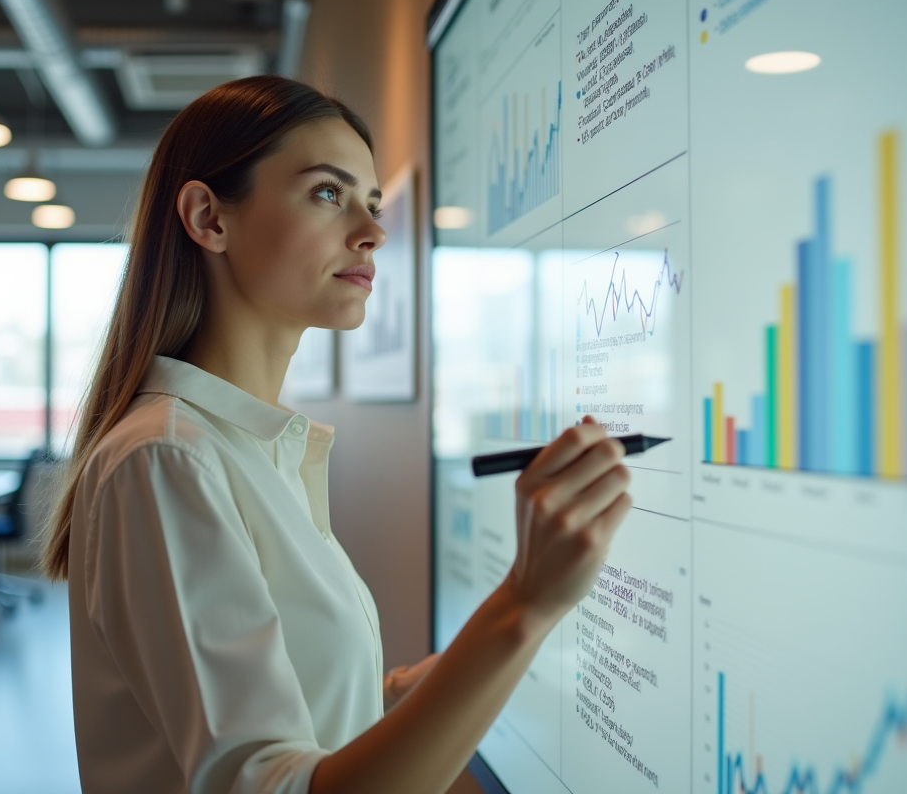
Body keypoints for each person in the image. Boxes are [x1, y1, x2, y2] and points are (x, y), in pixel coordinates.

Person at [41, 75, 633, 794]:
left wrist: (390, 694)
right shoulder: (167, 460)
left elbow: (298, 714)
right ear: (209, 218)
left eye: (374, 205)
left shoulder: (253, 450)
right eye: (328, 193)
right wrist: (525, 603)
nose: (374, 232)